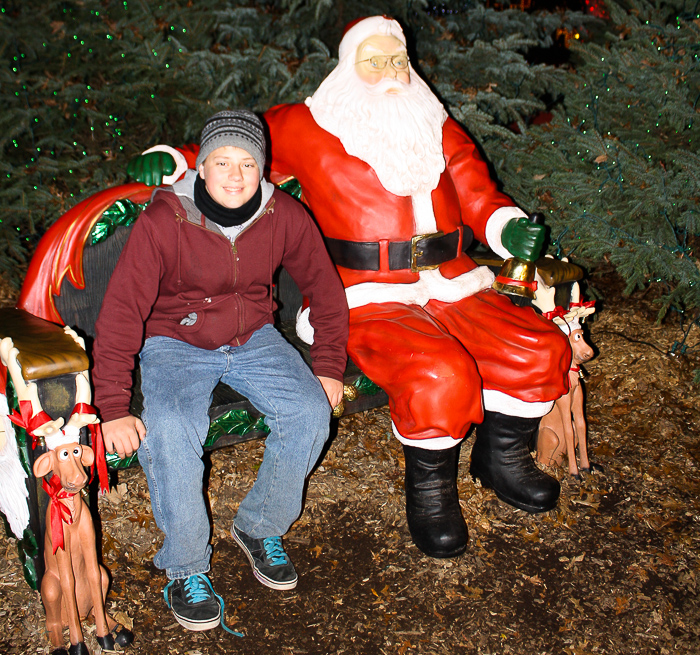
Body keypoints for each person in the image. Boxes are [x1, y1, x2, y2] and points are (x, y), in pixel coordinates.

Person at [128, 17, 571, 560]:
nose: (389, 72)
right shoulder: (309, 123)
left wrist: (506, 227)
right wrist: (175, 160)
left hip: (454, 281)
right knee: (438, 370)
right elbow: (232, 152)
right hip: (367, 294)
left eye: (398, 60)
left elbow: (480, 194)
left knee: (538, 346)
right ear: (348, 66)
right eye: (374, 60)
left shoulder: (435, 124)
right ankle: (432, 495)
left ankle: (502, 458)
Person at [92, 109, 349, 632]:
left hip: (253, 336)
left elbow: (326, 289)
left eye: (248, 163)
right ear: (202, 166)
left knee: (307, 413)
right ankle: (185, 565)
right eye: (223, 161)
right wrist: (114, 407)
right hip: (175, 341)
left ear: (263, 169)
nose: (236, 174)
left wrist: (328, 367)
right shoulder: (168, 218)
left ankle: (258, 526)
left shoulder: (283, 215)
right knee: (168, 430)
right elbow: (121, 312)